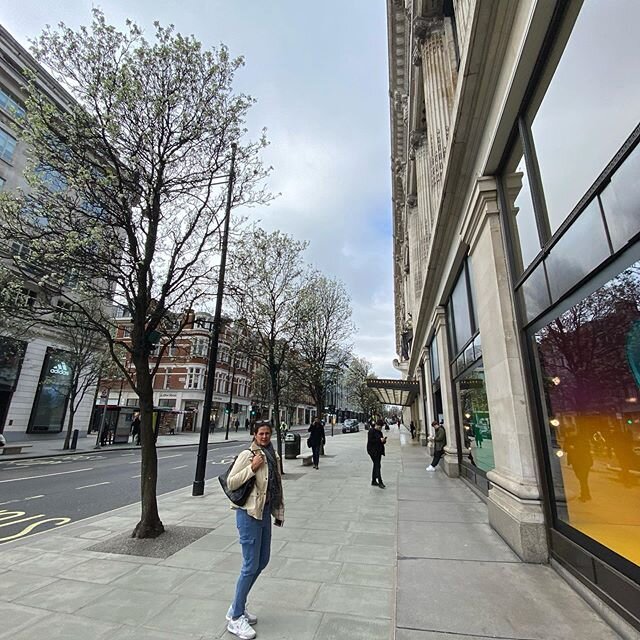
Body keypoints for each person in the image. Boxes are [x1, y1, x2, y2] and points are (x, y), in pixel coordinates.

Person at [226, 420, 284, 640]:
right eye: (261, 433)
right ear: (254, 434)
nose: (264, 437)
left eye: (268, 433)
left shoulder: (271, 454)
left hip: (264, 513)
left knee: (263, 561)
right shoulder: (248, 455)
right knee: (250, 565)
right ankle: (236, 617)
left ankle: (236, 606)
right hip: (248, 514)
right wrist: (252, 468)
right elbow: (231, 483)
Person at [367, 418, 387, 488]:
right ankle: (380, 482)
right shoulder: (371, 431)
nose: (380, 428)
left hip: (378, 451)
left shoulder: (380, 432)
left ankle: (373, 480)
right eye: (379, 427)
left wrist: (383, 440)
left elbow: (381, 441)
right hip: (372, 451)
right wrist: (379, 440)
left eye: (381, 427)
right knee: (377, 465)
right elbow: (371, 440)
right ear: (376, 425)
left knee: (376, 465)